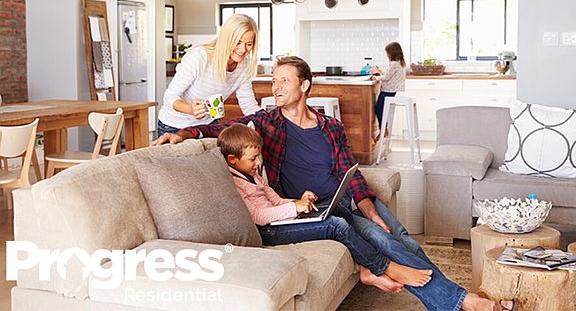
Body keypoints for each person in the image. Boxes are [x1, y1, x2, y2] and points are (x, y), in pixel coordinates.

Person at [153, 56, 515, 311]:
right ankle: (467, 302)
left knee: (399, 235)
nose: (275, 86)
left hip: (343, 199)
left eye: (283, 80)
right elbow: (222, 129)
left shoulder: (331, 127)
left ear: (304, 85)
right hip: (315, 207)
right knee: (383, 241)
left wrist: (370, 209)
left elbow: (349, 173)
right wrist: (182, 133)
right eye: (274, 80)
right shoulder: (267, 123)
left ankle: (455, 301)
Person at [217, 123, 433, 293]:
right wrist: (294, 209)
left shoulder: (253, 175)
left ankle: (365, 268)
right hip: (269, 231)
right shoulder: (235, 183)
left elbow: (274, 201)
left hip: (280, 221)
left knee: (339, 210)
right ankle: (383, 267)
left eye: (259, 157)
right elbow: (258, 216)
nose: (258, 163)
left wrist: (298, 202)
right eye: (253, 159)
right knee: (336, 226)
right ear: (232, 160)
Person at [156, 13, 261, 136]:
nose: (243, 50)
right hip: (175, 126)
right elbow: (170, 96)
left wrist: (269, 119)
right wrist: (190, 109)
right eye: (237, 42)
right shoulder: (199, 57)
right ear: (226, 39)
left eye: (249, 44)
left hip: (208, 126)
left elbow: (249, 105)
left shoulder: (244, 66)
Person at [370, 41, 406, 135]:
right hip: (391, 90)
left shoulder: (394, 64)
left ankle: (383, 129)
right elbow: (388, 75)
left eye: (387, 52)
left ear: (391, 53)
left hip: (388, 91)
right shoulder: (397, 64)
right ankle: (383, 129)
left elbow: (386, 78)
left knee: (378, 109)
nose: (386, 55)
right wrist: (380, 72)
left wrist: (376, 77)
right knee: (380, 109)